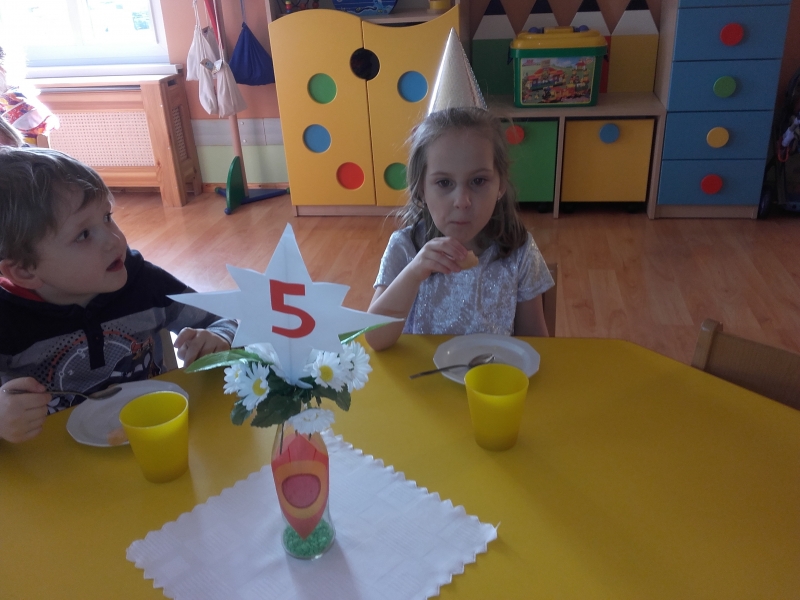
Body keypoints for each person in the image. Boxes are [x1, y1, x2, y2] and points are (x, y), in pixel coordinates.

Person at [0, 147, 237, 443]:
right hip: (56, 462)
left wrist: (218, 338)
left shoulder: (143, 281)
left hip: (157, 440)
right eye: (83, 235)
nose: (115, 240)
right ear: (24, 271)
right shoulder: (7, 319)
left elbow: (225, 320)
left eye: (107, 217)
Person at [365, 107, 554, 351]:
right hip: (424, 374)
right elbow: (375, 339)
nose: (462, 201)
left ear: (500, 185)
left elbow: (536, 344)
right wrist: (413, 273)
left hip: (493, 373)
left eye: (478, 181)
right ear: (421, 188)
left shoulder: (518, 250)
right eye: (444, 182)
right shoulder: (405, 247)